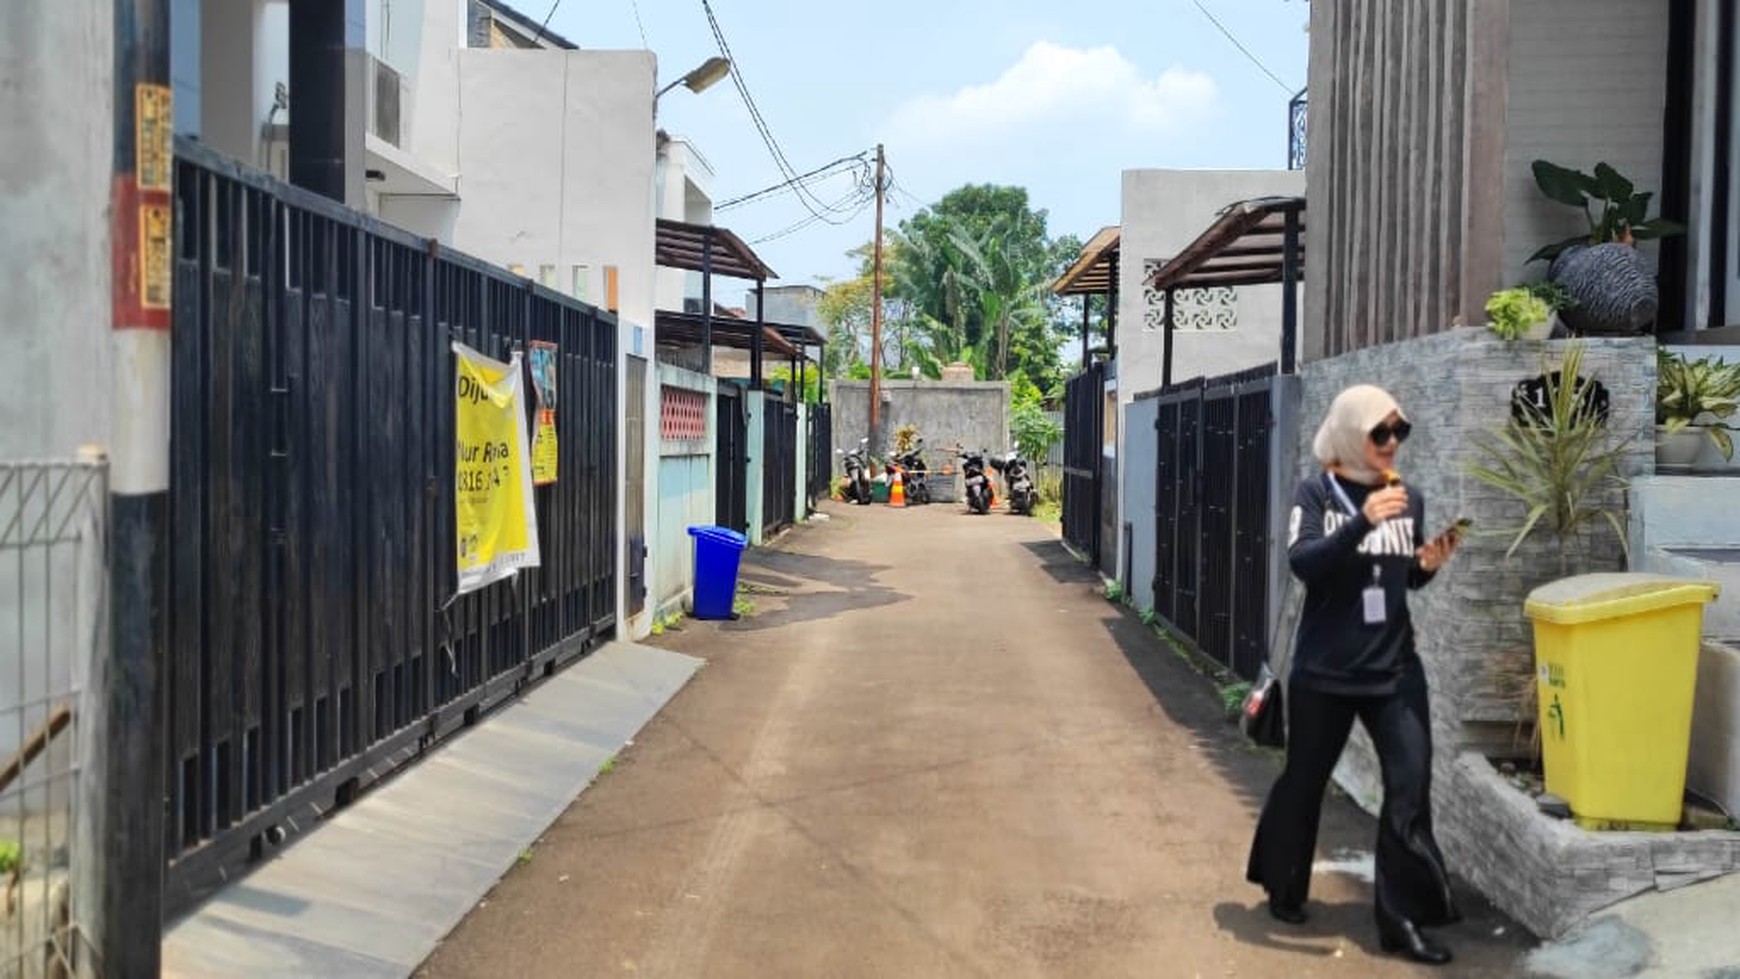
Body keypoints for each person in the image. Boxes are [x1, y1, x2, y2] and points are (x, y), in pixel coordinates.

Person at [1245, 384, 1464, 966]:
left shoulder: (1407, 498)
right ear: (1349, 434)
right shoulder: (1317, 492)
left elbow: (1404, 581)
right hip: (1325, 672)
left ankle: (1402, 921)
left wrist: (1428, 563)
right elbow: (1305, 562)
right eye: (1380, 432)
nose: (1393, 443)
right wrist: (1360, 522)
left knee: (1409, 788)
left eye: (1400, 432)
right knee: (1303, 783)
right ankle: (1284, 885)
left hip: (1395, 670)